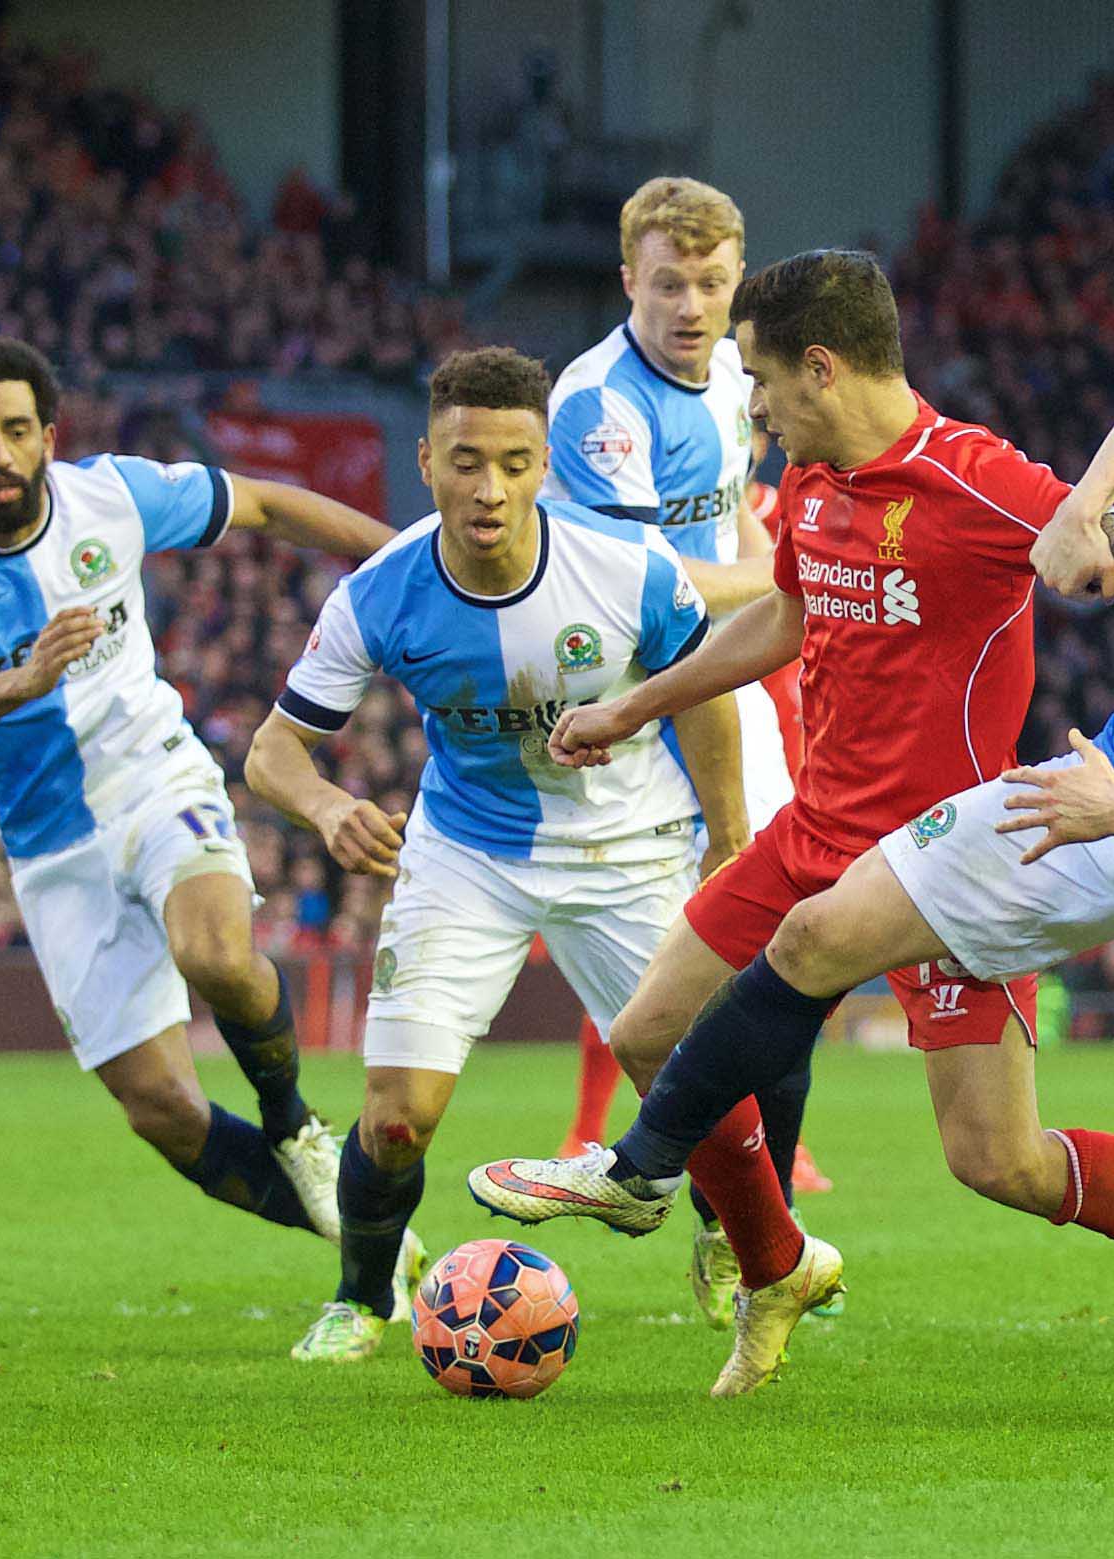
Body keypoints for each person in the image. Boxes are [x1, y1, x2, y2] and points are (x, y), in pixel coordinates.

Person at [469, 254, 1114, 1408]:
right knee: (649, 1031)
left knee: (999, 1163)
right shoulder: (810, 482)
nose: (753, 409)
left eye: (762, 381)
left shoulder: (975, 480)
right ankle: (775, 1262)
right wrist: (634, 702)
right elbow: (784, 610)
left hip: (949, 862)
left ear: (820, 368)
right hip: (814, 832)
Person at [0, 336, 398, 1351]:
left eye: (18, 430)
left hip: (156, 775)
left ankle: (292, 1120)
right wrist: (21, 682)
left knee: (213, 950)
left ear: (47, 435)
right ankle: (372, 1242)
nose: (0, 453)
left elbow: (270, 504)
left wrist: (407, 561)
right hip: (51, 845)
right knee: (159, 1107)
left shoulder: (109, 496)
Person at [242, 347, 750, 1363]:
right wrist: (326, 801)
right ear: (426, 462)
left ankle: (739, 1243)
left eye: (515, 462)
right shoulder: (379, 595)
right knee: (394, 1118)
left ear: (543, 468)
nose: (490, 488)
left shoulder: (628, 571)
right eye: (467, 462)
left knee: (698, 1083)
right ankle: (363, 1296)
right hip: (467, 852)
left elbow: (706, 699)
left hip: (631, 843)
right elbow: (271, 752)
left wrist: (729, 846)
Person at [540, 175, 827, 1325]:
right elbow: (641, 581)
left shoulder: (727, 377)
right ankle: (647, 1167)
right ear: (628, 282)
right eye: (669, 282)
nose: (693, 306)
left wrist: (778, 587)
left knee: (785, 940)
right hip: (623, 691)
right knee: (671, 966)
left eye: (712, 283)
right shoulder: (596, 405)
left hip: (727, 679)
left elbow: (734, 520)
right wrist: (801, 582)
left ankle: (745, 1233)